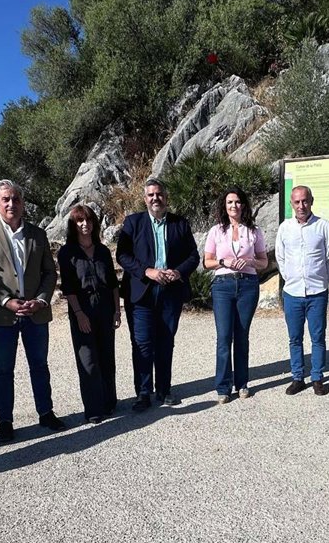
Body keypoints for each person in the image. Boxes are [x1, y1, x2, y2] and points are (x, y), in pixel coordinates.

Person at [0, 179, 66, 441]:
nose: (11, 203)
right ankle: (5, 421)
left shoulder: (38, 234)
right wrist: (4, 300)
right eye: (6, 199)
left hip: (35, 312)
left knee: (39, 365)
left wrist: (42, 300)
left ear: (22, 202)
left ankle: (46, 413)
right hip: (2, 314)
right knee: (3, 369)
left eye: (16, 199)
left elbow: (49, 272)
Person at [116, 179, 200, 410]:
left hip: (170, 293)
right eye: (151, 195)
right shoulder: (133, 223)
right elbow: (122, 255)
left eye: (159, 194)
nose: (156, 198)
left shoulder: (179, 223)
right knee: (142, 344)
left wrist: (178, 272)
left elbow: (193, 256)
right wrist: (147, 271)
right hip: (141, 293)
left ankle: (164, 390)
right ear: (145, 199)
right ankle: (143, 392)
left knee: (165, 342)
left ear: (166, 197)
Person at [202, 187, 269, 403]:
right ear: (224, 205)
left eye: (238, 202)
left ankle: (242, 383)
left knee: (242, 336)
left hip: (248, 284)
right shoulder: (216, 231)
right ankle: (223, 387)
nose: (234, 206)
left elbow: (264, 262)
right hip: (223, 285)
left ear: (244, 205)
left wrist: (249, 262)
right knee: (224, 337)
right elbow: (207, 262)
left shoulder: (254, 231)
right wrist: (224, 262)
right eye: (230, 202)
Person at [57, 204, 121, 424]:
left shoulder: (102, 250)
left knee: (106, 358)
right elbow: (69, 288)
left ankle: (109, 402)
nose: (85, 224)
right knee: (88, 360)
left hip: (105, 307)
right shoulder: (66, 253)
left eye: (89, 220)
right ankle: (94, 409)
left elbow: (113, 283)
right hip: (82, 309)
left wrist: (116, 311)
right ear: (73, 225)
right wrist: (79, 314)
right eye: (80, 221)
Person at [274, 186, 329, 396]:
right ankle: (297, 377)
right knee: (295, 337)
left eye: (305, 201)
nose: (301, 206)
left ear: (311, 201)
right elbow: (280, 258)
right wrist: (291, 278)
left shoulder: (323, 226)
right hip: (292, 292)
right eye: (297, 202)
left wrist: (321, 279)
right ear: (291, 204)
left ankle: (318, 377)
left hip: (317, 292)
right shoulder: (285, 228)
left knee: (318, 337)